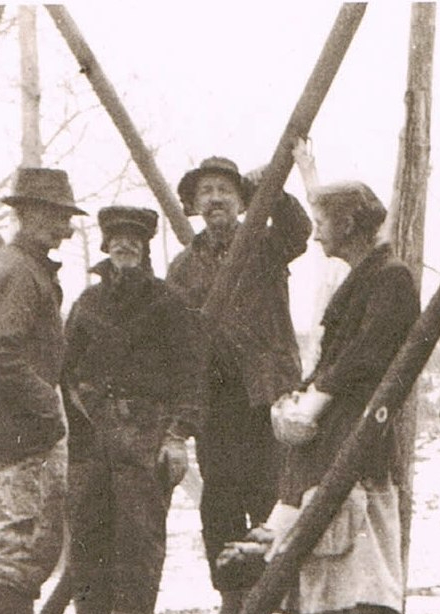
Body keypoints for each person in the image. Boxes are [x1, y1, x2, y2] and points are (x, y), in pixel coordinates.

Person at [260, 181, 417, 614]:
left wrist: (316, 398)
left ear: (347, 223)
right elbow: (341, 356)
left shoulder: (390, 278)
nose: (314, 235)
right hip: (337, 438)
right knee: (332, 567)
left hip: (361, 438)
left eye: (321, 222)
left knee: (363, 570)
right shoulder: (362, 279)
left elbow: (366, 355)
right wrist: (305, 390)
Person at [167, 156, 312, 613]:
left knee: (275, 501)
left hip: (268, 398)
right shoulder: (182, 268)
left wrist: (272, 187)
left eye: (224, 191)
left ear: (240, 201)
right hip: (218, 408)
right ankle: (234, 600)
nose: (214, 199)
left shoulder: (264, 245)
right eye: (205, 192)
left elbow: (298, 230)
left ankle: (284, 599)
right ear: (194, 204)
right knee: (222, 507)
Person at [61, 205, 204, 614]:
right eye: (117, 239)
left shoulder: (168, 303)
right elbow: (65, 372)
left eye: (134, 240)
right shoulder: (87, 303)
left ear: (144, 248)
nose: (124, 246)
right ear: (106, 246)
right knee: (88, 547)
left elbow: (191, 375)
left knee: (138, 551)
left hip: (146, 440)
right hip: (92, 443)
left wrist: (177, 437)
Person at [0, 167, 85, 614]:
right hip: (20, 436)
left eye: (67, 216)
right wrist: (48, 408)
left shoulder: (21, 267)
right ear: (29, 213)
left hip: (4, 432)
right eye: (57, 215)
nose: (66, 226)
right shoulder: (18, 272)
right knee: (19, 553)